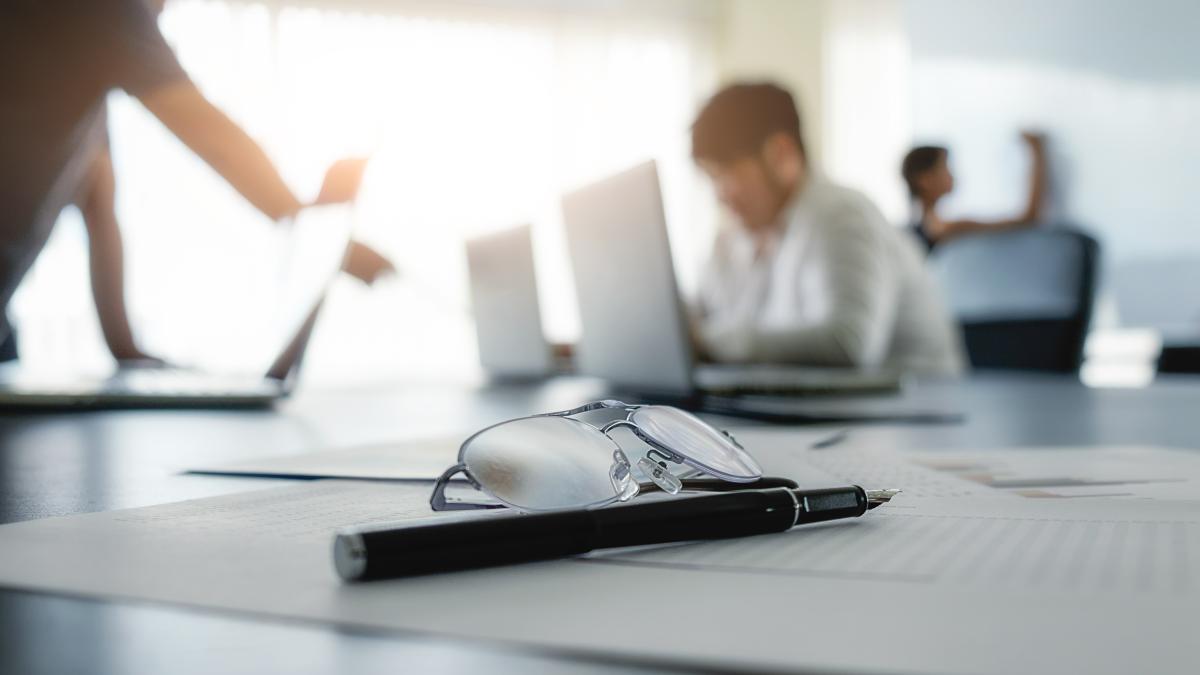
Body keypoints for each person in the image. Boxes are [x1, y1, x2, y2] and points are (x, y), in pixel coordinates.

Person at [0, 0, 393, 363]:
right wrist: (307, 223)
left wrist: (127, 352)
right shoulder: (104, 8)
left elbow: (99, 205)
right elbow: (211, 136)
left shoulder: (80, 92)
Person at [690, 82, 965, 376]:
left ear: (780, 153)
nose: (719, 195)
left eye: (725, 174)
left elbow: (848, 342)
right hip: (840, 409)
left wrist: (708, 342)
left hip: (921, 410)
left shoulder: (841, 213)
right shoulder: (741, 235)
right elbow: (702, 316)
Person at [901, 131, 1047, 252]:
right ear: (925, 180)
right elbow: (1028, 218)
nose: (951, 175)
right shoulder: (942, 228)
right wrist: (1036, 151)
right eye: (944, 168)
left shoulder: (921, 228)